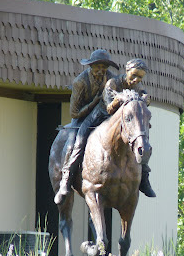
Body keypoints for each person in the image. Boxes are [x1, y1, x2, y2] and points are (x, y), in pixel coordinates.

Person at [54, 49, 119, 205]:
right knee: (72, 144)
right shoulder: (80, 82)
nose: (101, 71)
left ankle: (141, 177)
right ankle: (66, 179)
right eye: (98, 67)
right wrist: (95, 102)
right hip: (81, 119)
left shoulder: (111, 79)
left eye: (104, 67)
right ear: (90, 66)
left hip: (103, 117)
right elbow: (75, 113)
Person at [102, 58, 156, 197]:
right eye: (134, 75)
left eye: (140, 77)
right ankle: (68, 173)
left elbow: (142, 106)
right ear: (127, 71)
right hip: (105, 118)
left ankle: (144, 177)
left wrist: (145, 101)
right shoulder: (113, 83)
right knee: (83, 135)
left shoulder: (139, 88)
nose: (136, 80)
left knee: (142, 138)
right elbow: (108, 108)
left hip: (126, 123)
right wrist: (117, 100)